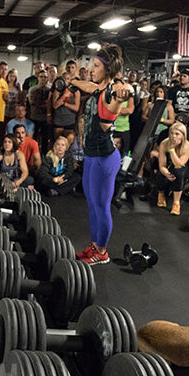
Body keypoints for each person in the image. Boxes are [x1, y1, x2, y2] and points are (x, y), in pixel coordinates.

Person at [68, 43, 132, 265]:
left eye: (96, 66)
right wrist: (74, 81)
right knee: (92, 204)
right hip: (91, 156)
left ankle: (102, 252)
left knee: (101, 206)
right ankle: (94, 245)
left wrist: (124, 93)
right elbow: (88, 85)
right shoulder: (98, 88)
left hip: (104, 159)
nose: (91, 69)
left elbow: (123, 91)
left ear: (108, 69)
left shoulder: (112, 91)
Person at [156, 122, 189, 215]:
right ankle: (161, 194)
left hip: (181, 167)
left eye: (177, 134)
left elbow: (179, 165)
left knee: (179, 172)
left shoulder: (188, 146)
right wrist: (166, 173)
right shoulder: (164, 143)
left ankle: (176, 202)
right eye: (172, 133)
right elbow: (162, 165)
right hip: (168, 166)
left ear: (183, 136)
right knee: (161, 173)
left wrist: (172, 150)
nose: (173, 136)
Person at [52, 61, 81, 141]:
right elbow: (55, 106)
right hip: (58, 120)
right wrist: (64, 95)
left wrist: (64, 104)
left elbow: (76, 108)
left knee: (69, 143)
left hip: (70, 120)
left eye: (68, 79)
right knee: (57, 142)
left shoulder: (76, 91)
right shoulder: (57, 90)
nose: (66, 81)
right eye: (64, 79)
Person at [28, 69, 51, 153]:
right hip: (34, 117)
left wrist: (44, 104)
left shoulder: (49, 91)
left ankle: (43, 156)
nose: (43, 79)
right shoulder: (32, 89)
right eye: (41, 77)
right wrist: (44, 104)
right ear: (38, 77)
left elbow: (50, 104)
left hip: (45, 118)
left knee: (45, 140)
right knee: (33, 139)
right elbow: (32, 102)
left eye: (45, 77)